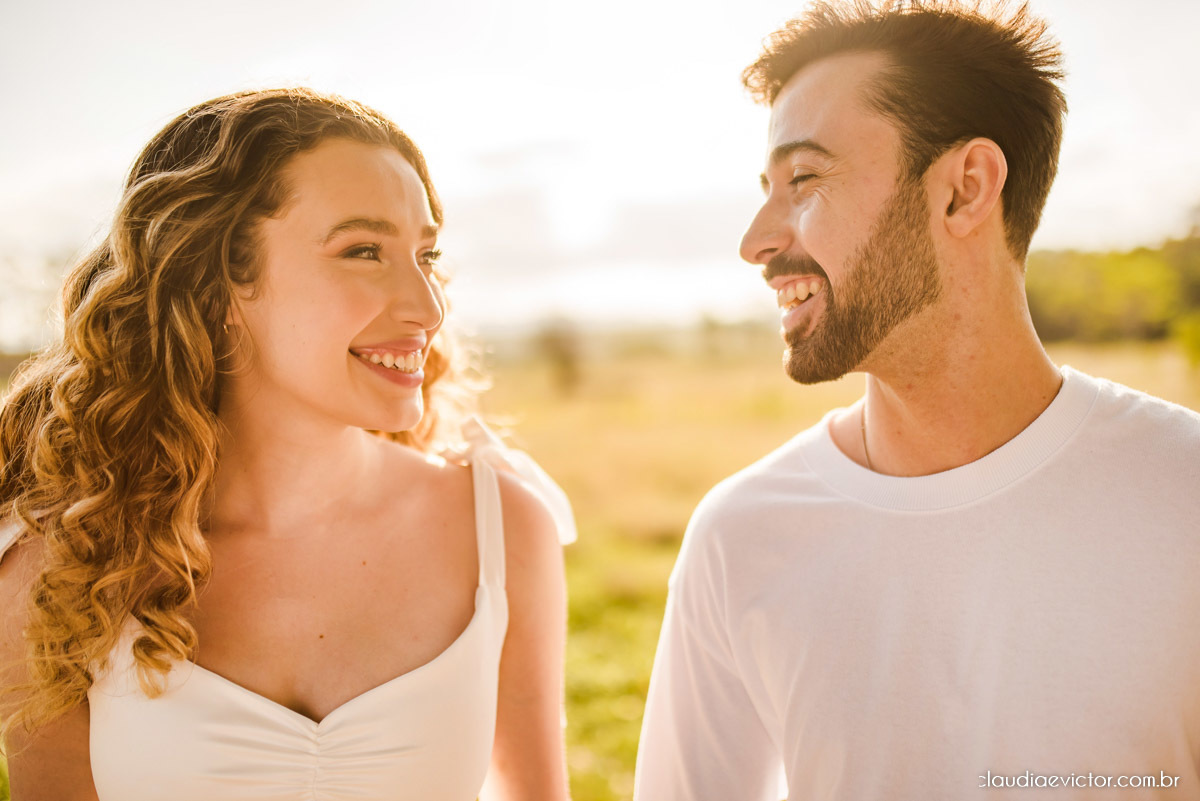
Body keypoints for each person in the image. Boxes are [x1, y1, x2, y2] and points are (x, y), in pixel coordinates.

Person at [634, 2, 1200, 799]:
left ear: (965, 190)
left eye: (804, 179)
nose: (756, 240)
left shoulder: (1185, 495)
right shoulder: (739, 537)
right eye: (768, 188)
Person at [0, 88, 572, 800]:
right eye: (364, 251)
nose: (428, 308)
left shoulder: (501, 529)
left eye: (426, 255)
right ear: (217, 284)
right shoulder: (64, 562)